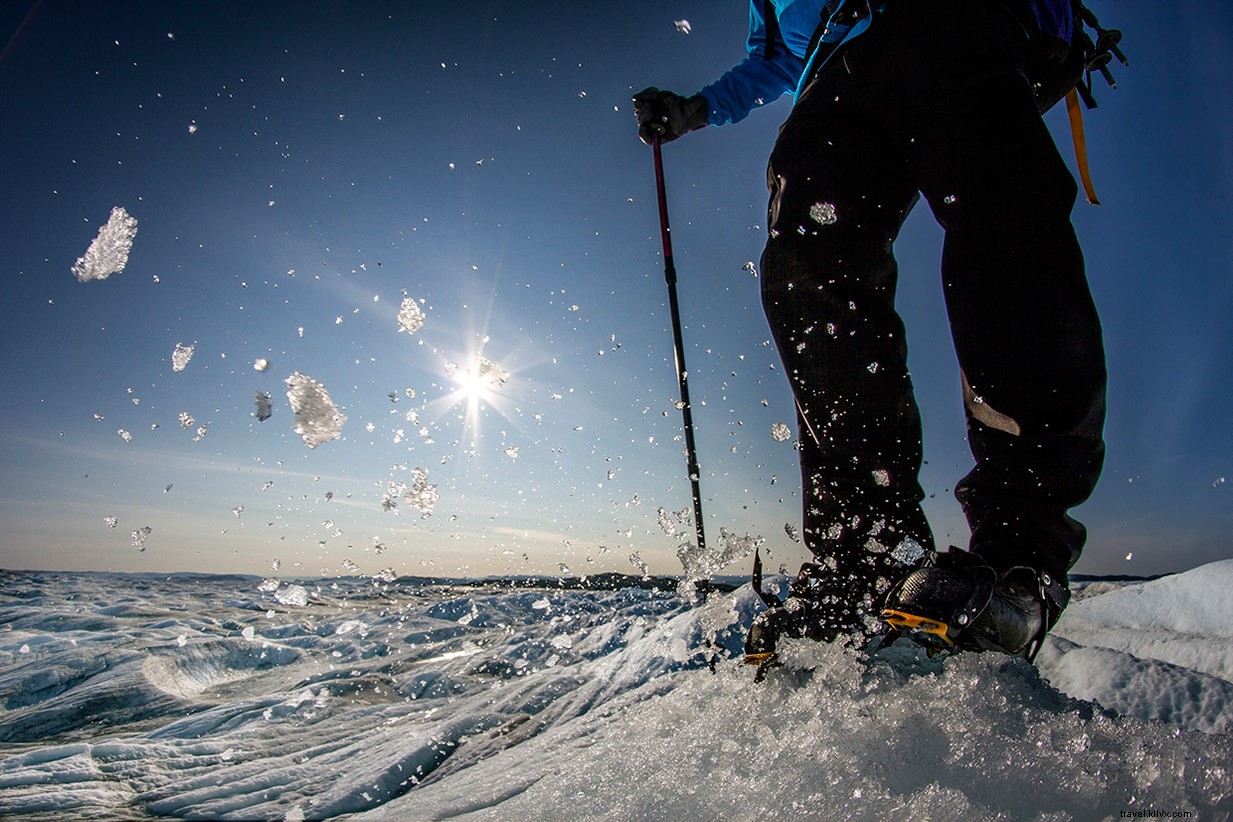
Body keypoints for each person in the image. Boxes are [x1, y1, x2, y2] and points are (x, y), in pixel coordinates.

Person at [633, 0, 1106, 664]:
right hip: (833, 71)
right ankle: (866, 557)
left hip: (960, 20)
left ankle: (1019, 557)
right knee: (808, 272)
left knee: (1003, 221)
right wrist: (697, 108)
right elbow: (775, 57)